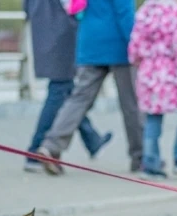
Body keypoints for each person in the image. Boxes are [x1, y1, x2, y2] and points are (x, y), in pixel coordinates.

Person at [35, 0, 145, 176]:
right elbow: (124, 13)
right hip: (118, 45)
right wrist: (136, 46)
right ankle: (141, 157)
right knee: (131, 103)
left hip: (90, 41)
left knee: (78, 100)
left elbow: (76, 8)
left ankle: (51, 146)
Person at [22, 0, 112, 173]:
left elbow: (26, 7)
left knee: (68, 93)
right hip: (62, 35)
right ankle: (35, 151)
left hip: (43, 31)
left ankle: (92, 139)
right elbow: (75, 6)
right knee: (59, 91)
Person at [128, 0, 177, 180]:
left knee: (153, 118)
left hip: (150, 72)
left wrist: (141, 62)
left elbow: (135, 46)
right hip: (174, 72)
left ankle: (150, 163)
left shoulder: (144, 12)